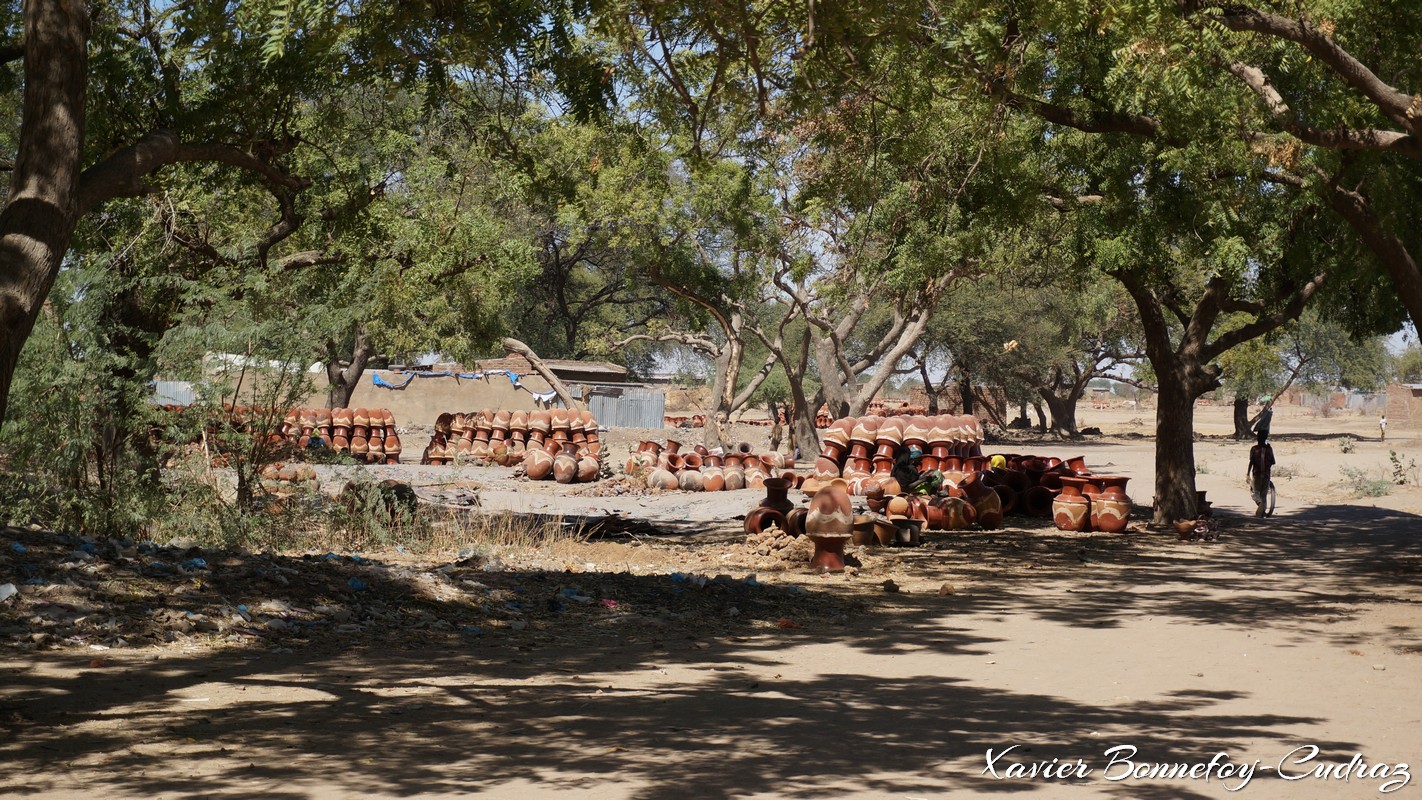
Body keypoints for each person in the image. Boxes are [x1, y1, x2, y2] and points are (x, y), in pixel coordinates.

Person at [1246, 439, 1275, 517]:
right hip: (1266, 475)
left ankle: (1260, 504)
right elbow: (1272, 462)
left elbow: (1251, 462)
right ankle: (1262, 512)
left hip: (1257, 475)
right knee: (1263, 494)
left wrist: (1248, 474)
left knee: (1254, 493)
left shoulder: (1254, 449)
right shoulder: (1269, 449)